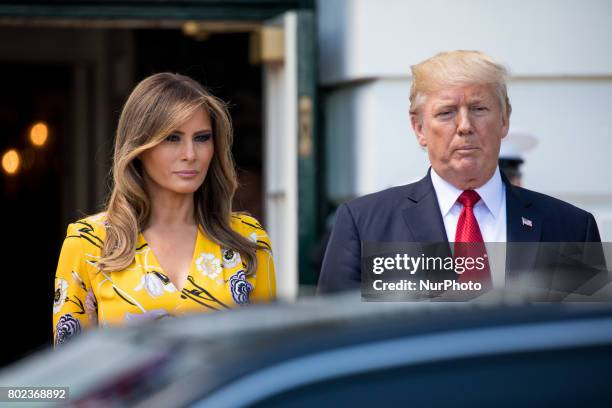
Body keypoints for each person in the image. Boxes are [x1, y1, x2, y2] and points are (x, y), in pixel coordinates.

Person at [317, 50, 602, 294]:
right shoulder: (366, 224)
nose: (465, 126)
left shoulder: (570, 228)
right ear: (419, 128)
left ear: (504, 120)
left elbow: (585, 343)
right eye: (446, 113)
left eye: (479, 109)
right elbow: (335, 338)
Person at [53, 73, 275, 345]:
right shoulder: (89, 242)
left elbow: (268, 355)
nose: (190, 154)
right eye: (172, 138)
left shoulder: (247, 239)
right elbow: (69, 371)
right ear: (139, 147)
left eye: (202, 138)